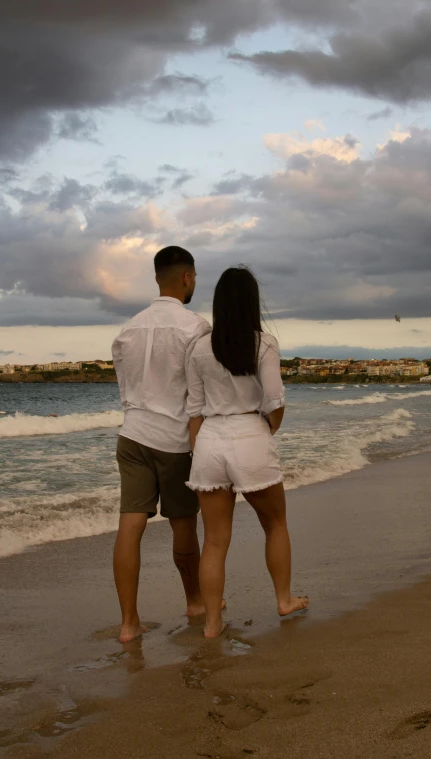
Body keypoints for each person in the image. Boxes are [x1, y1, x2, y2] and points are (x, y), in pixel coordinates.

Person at [186, 266, 309, 638]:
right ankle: (284, 600)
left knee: (214, 540)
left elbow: (194, 410)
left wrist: (199, 452)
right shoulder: (264, 343)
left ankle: (211, 624)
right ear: (252, 302)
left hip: (210, 439)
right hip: (249, 435)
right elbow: (274, 400)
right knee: (275, 525)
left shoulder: (198, 347)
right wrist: (267, 429)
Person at [111, 246, 211, 643]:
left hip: (132, 434)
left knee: (129, 526)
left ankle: (129, 623)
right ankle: (196, 603)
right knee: (183, 523)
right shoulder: (196, 327)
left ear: (157, 277)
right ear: (187, 278)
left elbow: (125, 390)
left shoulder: (128, 330)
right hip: (174, 440)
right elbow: (200, 392)